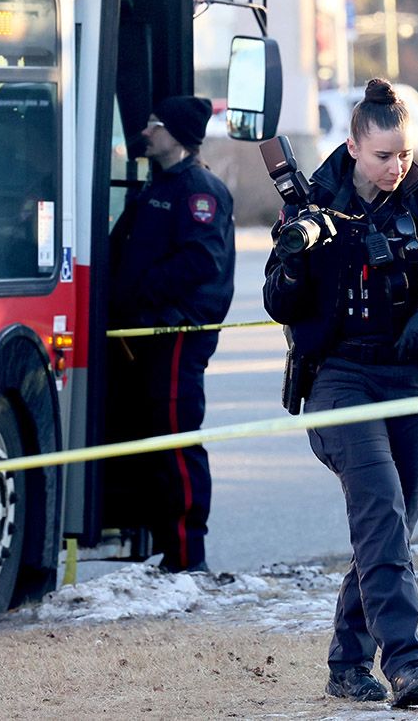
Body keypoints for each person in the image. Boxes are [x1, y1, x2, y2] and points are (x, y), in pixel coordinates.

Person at [262, 79, 418, 708]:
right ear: (354, 145)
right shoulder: (314, 202)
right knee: (381, 509)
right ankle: (408, 661)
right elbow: (279, 302)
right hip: (341, 378)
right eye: (385, 155)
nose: (397, 166)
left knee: (393, 524)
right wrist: (298, 254)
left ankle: (346, 661)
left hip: (410, 376)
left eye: (405, 154)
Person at [109, 95, 234, 574]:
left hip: (177, 331)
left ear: (177, 135)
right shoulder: (157, 185)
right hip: (147, 331)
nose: (146, 130)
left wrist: (141, 292)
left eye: (155, 123)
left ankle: (187, 556)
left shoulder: (199, 191)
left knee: (177, 437)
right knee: (151, 438)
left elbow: (201, 261)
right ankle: (168, 550)